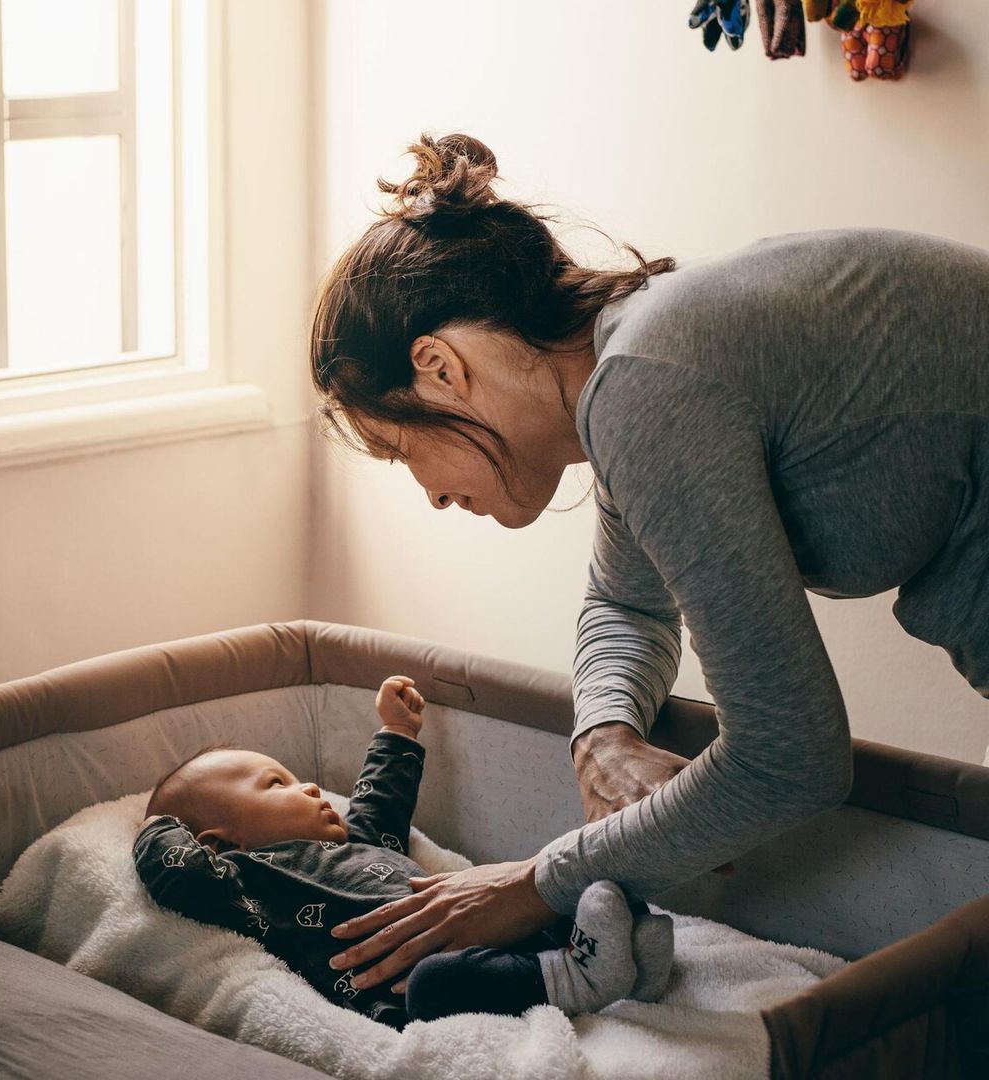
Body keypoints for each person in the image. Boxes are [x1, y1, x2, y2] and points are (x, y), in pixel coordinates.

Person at [308, 131, 989, 992]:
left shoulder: (647, 389)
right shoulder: (634, 366)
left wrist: (533, 883)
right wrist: (603, 735)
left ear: (440, 369)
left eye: (404, 452)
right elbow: (625, 607)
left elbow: (794, 757)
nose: (434, 496)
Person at [132, 675, 675, 1030]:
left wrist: (396, 729)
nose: (311, 789)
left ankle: (622, 957)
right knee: (437, 983)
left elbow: (381, 806)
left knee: (551, 888)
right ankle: (578, 977)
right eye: (278, 785)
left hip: (481, 921)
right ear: (221, 843)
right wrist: (157, 826)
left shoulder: (357, 843)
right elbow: (180, 876)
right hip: (411, 984)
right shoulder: (246, 882)